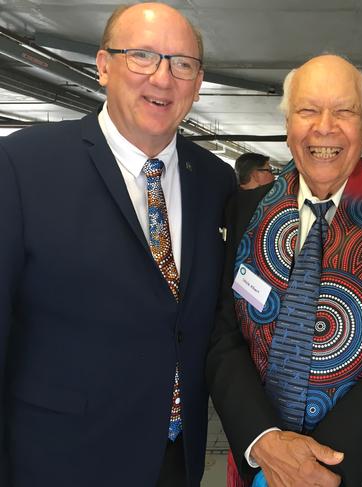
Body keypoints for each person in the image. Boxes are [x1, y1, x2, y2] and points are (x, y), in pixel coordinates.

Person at [0, 3, 236, 486]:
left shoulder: (213, 179)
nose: (163, 78)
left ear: (198, 81)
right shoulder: (23, 164)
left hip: (177, 459)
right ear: (104, 65)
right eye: (143, 56)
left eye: (181, 64)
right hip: (58, 458)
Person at [207, 54, 362, 487]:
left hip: (359, 469)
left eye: (344, 111)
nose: (324, 126)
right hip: (258, 461)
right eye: (308, 110)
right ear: (287, 126)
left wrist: (315, 471)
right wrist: (263, 440)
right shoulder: (245, 211)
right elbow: (223, 333)